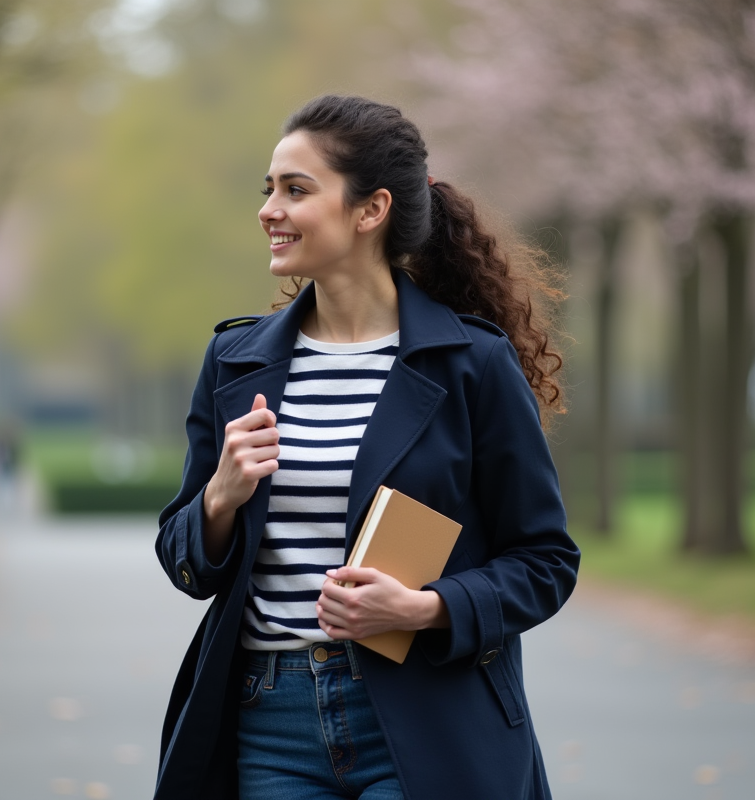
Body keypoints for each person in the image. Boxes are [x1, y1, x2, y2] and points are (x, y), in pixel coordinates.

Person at [155, 95, 580, 800]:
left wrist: (425, 608)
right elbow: (185, 561)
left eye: (296, 189)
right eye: (269, 190)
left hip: (428, 718)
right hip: (270, 722)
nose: (269, 209)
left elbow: (544, 561)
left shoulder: (470, 362)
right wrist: (220, 498)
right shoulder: (236, 363)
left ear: (370, 209)